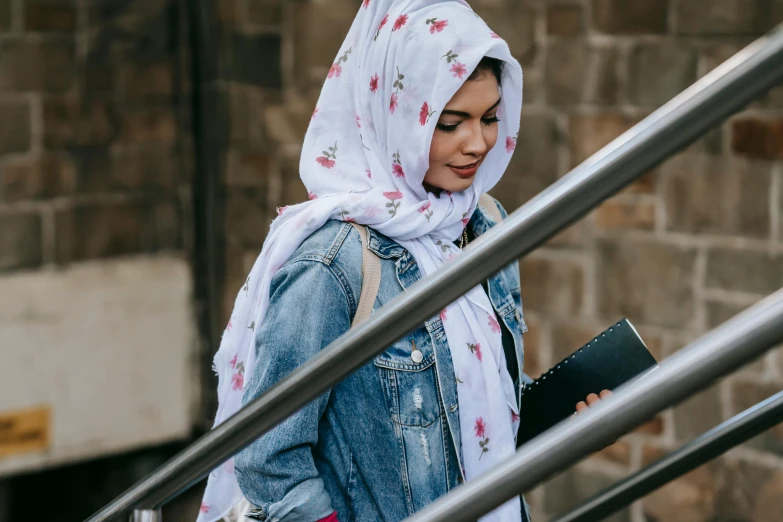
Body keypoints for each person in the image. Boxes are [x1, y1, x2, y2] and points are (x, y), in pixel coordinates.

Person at [197, 2, 608, 521]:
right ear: (395, 116)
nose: (477, 143)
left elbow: (474, 403)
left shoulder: (486, 224)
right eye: (451, 123)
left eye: (490, 118)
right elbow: (267, 455)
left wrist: (571, 422)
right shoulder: (334, 264)